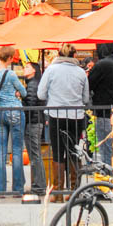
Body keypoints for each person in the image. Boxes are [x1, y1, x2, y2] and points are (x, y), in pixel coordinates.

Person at [38, 43, 90, 201]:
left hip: (56, 115)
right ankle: (74, 190)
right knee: (74, 151)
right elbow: (86, 98)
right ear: (75, 55)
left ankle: (58, 192)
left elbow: (40, 94)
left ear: (59, 54)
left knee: (58, 152)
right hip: (76, 116)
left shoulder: (51, 70)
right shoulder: (81, 72)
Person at [0, 46, 27, 195]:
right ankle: (18, 188)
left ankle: (0, 188)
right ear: (10, 58)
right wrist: (17, 93)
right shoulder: (11, 74)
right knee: (17, 150)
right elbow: (23, 91)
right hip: (14, 110)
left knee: (1, 151)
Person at [88, 43, 113, 165]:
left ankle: (108, 175)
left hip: (103, 110)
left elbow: (89, 84)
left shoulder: (102, 64)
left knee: (105, 145)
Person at [22, 61, 47, 195]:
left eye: (27, 67)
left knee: (34, 154)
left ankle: (39, 184)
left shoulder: (32, 85)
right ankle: (39, 183)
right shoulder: (34, 84)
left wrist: (21, 101)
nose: (24, 69)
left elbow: (30, 104)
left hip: (32, 122)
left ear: (34, 71)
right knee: (35, 154)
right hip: (36, 121)